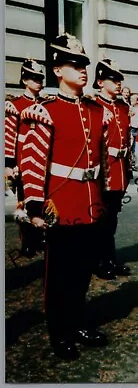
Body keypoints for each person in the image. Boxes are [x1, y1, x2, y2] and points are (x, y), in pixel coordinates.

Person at [20, 33, 109, 360]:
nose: (83, 70)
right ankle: (60, 332)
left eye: (84, 64)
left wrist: (105, 199)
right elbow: (32, 161)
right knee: (60, 275)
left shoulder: (97, 111)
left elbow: (101, 159)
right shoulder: (44, 110)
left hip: (90, 203)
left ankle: (78, 323)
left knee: (83, 271)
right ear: (58, 70)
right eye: (75, 65)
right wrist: (33, 204)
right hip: (61, 203)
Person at [93, 58, 132, 280]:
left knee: (112, 218)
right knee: (102, 219)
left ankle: (108, 258)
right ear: (100, 82)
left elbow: (125, 139)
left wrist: (128, 169)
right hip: (103, 170)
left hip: (119, 169)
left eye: (119, 80)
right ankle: (99, 260)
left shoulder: (122, 107)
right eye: (112, 79)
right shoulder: (94, 107)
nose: (118, 83)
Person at [5, 59, 46, 258]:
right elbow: (9, 136)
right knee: (25, 200)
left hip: (43, 160)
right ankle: (27, 241)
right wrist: (9, 164)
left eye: (40, 78)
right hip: (23, 159)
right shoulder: (15, 105)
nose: (38, 82)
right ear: (24, 80)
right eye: (34, 78)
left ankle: (40, 236)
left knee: (42, 198)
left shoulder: (46, 104)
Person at [129, 94, 138, 161]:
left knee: (136, 145)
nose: (131, 101)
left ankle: (135, 160)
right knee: (130, 144)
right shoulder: (130, 108)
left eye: (133, 99)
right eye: (131, 99)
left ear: (137, 101)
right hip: (131, 128)